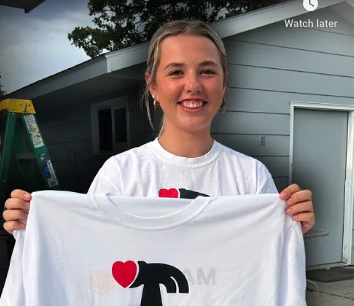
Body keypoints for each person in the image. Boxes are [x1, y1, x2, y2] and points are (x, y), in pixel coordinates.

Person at [2, 19, 315, 235]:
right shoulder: (120, 174)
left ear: (224, 83)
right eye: (176, 72)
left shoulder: (251, 177)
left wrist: (290, 229)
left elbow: (264, 268)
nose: (193, 85)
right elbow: (85, 251)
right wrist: (37, 223)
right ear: (152, 85)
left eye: (207, 71)